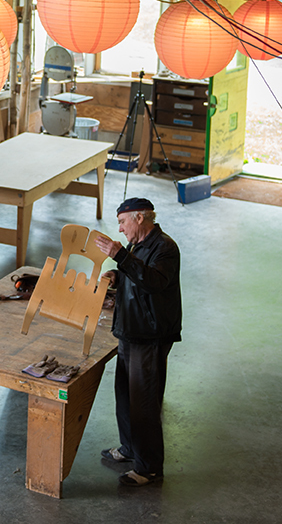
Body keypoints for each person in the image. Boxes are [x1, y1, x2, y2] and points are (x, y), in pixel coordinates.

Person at [93, 197, 182, 487]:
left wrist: (120, 256)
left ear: (139, 218)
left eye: (122, 222)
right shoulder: (137, 246)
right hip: (131, 330)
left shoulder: (165, 248)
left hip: (150, 335)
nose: (120, 229)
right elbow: (136, 276)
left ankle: (149, 468)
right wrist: (117, 276)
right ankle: (131, 448)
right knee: (125, 395)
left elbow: (154, 282)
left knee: (144, 402)